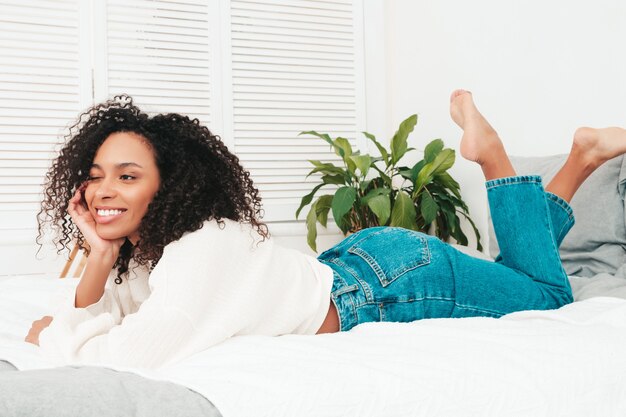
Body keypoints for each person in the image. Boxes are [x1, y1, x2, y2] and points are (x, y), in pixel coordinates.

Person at [26, 91, 626, 369]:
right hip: (365, 268)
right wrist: (100, 254)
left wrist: (57, 335)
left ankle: (494, 159)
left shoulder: (199, 243)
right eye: (97, 175)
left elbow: (126, 350)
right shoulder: (150, 248)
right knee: (519, 276)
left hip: (388, 288)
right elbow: (104, 311)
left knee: (546, 296)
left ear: (169, 182)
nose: (104, 190)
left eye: (127, 176)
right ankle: (583, 157)